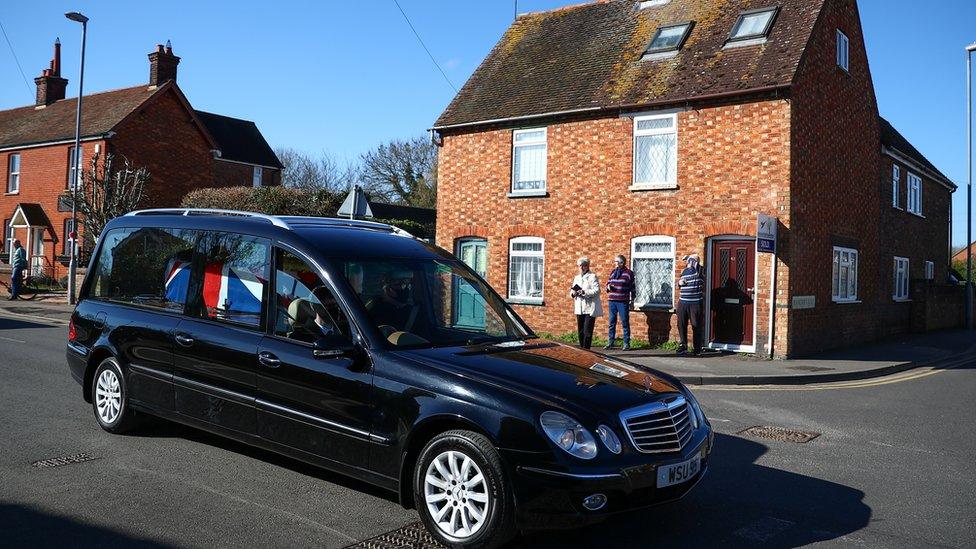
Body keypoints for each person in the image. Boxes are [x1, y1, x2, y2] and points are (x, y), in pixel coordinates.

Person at [570, 257, 602, 349]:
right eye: (578, 266)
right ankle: (582, 349)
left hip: (589, 308)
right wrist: (573, 293)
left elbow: (597, 291)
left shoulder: (592, 276)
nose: (580, 268)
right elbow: (572, 291)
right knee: (580, 331)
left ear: (586, 266)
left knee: (587, 331)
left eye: (581, 266)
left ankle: (587, 349)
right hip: (579, 307)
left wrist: (584, 292)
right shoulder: (577, 277)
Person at [676, 253, 705, 355]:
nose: (688, 262)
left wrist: (689, 258)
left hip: (695, 303)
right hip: (683, 302)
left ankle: (697, 348)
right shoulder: (684, 271)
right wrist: (679, 283)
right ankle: (683, 345)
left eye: (691, 260)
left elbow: (695, 264)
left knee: (696, 325)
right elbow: (678, 283)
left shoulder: (700, 270)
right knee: (681, 324)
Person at [604, 254, 635, 350]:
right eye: (615, 261)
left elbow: (633, 288)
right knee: (612, 321)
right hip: (612, 300)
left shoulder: (629, 273)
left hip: (623, 301)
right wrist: (608, 287)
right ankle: (610, 341)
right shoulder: (613, 272)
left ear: (622, 262)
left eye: (616, 261)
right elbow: (608, 283)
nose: (615, 263)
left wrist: (633, 301)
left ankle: (626, 343)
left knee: (624, 321)